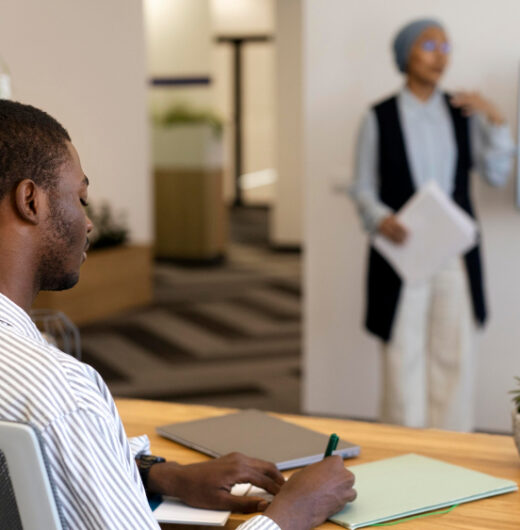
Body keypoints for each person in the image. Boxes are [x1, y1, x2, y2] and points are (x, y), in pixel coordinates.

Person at [0, 100, 356, 530]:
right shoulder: (58, 393)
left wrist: (163, 474)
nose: (89, 222)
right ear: (30, 201)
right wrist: (293, 510)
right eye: (81, 197)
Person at [349, 18, 514, 431]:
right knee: (402, 351)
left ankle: (452, 444)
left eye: (446, 47)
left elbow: (495, 174)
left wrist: (496, 120)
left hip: (455, 251)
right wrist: (380, 218)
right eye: (429, 45)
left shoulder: (463, 113)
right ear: (406, 53)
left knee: (453, 352)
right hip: (404, 252)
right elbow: (362, 186)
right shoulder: (379, 117)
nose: (440, 56)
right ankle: (403, 445)